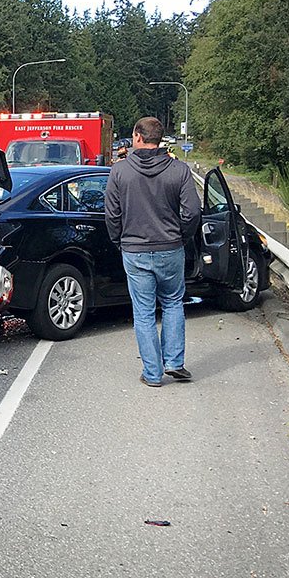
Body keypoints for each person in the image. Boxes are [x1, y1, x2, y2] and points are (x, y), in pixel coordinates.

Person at [104, 117, 201, 388]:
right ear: (160, 139)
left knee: (144, 312)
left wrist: (118, 240)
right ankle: (174, 362)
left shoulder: (119, 172)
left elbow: (112, 214)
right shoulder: (179, 170)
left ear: (137, 137)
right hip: (170, 248)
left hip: (134, 250)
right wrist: (182, 236)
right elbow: (192, 212)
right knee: (172, 303)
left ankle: (153, 373)